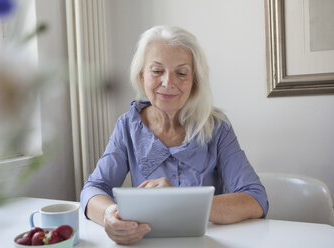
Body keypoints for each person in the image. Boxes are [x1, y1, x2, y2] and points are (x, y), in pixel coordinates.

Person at [80, 25, 268, 245]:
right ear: (142, 76)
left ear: (194, 80)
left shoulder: (218, 127)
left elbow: (255, 199)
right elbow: (93, 189)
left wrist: (180, 200)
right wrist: (109, 214)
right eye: (157, 71)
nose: (168, 83)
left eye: (181, 73)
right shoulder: (127, 126)